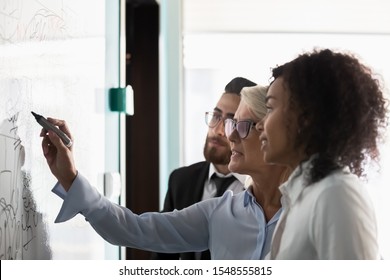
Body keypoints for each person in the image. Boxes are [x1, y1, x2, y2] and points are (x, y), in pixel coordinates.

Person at [40, 85, 289, 259]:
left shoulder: (309, 209)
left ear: (273, 134)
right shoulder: (219, 213)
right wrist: (71, 178)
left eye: (242, 125)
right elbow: (135, 229)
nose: (229, 134)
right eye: (227, 122)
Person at [257, 48, 388, 259]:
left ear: (306, 117)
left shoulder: (336, 193)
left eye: (270, 108)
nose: (260, 125)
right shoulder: (302, 195)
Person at [154, 77, 256, 260]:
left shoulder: (259, 190)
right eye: (216, 116)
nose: (218, 130)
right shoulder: (181, 180)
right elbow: (163, 252)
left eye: (231, 122)